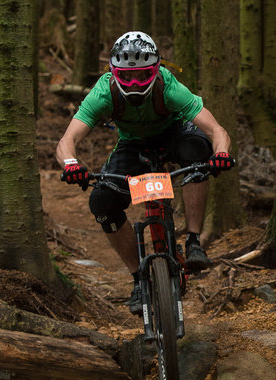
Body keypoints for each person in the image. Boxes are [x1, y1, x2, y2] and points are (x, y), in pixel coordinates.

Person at [55, 31, 234, 315]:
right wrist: (71, 165)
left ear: (156, 70)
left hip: (174, 133)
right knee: (102, 202)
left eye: (141, 76)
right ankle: (139, 279)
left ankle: (194, 242)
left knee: (197, 152)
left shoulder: (169, 87)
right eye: (127, 78)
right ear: (114, 74)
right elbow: (67, 140)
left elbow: (216, 131)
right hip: (132, 144)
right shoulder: (104, 92)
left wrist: (221, 154)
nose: (135, 84)